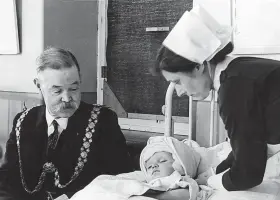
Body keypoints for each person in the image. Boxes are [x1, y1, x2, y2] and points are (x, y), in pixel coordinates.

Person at [152, 4, 280, 191]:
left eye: (178, 81)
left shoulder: (234, 88)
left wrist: (210, 183)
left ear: (199, 65)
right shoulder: (241, 69)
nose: (179, 92)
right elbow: (249, 145)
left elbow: (248, 174)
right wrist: (213, 172)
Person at [0, 47, 133, 200]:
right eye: (57, 91)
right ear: (38, 86)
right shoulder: (23, 121)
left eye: (74, 89)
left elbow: (120, 180)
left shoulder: (103, 121)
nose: (67, 98)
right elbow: (6, 181)